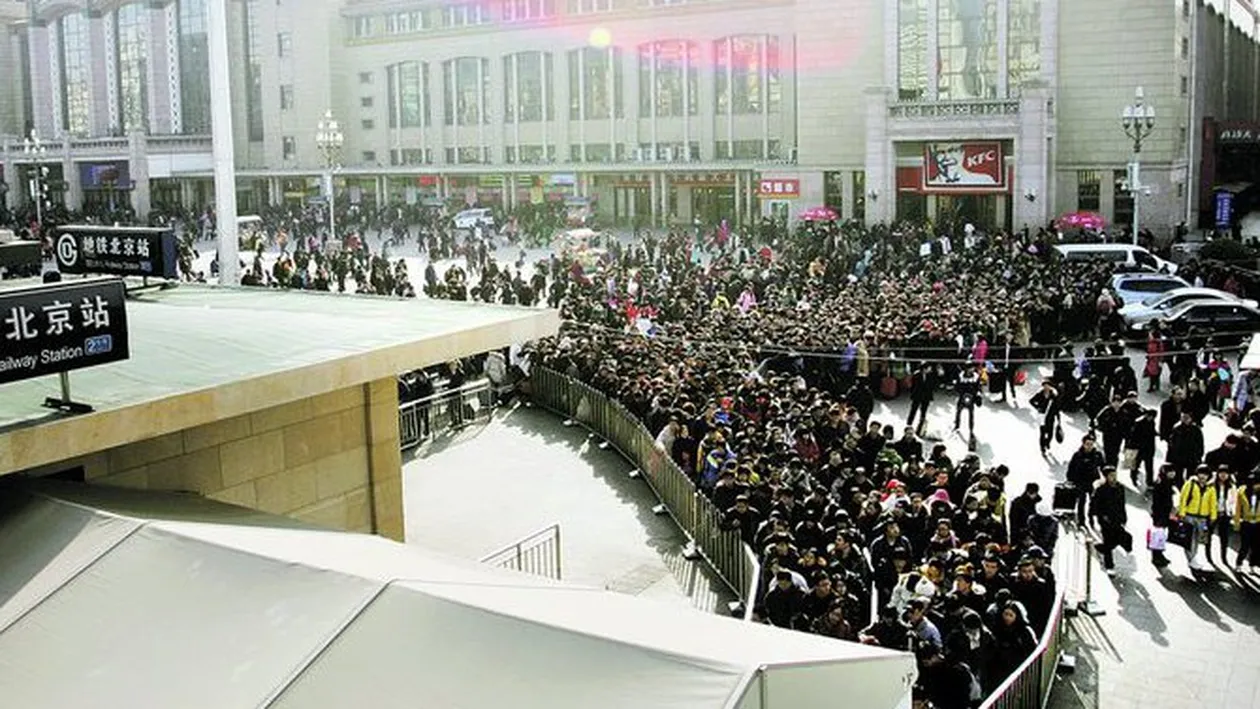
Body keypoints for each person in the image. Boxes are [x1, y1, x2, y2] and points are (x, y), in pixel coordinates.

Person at [1177, 466, 1219, 574]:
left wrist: (1213, 516)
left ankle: (1193, 558)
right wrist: (1182, 513)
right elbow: (1183, 498)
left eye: (1205, 474)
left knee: (1198, 539)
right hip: (1189, 515)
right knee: (1189, 539)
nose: (1203, 476)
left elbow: (1213, 503)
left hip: (1202, 517)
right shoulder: (1190, 484)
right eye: (1201, 473)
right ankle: (1191, 560)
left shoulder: (1211, 488)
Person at [1091, 467, 1131, 574]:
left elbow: (1122, 503)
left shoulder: (1120, 488)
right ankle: (1109, 565)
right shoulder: (1101, 489)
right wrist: (1100, 516)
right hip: (1106, 519)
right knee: (1108, 540)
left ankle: (1101, 548)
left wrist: (1124, 517)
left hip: (1117, 518)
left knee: (1120, 538)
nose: (1114, 477)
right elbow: (1096, 505)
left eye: (1115, 475)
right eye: (1111, 475)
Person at [1066, 435, 1105, 525]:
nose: (1089, 446)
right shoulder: (1077, 455)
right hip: (1080, 481)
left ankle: (1091, 517)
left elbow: (1102, 466)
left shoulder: (1097, 455)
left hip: (1093, 481)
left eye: (1091, 444)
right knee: (1081, 501)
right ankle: (1081, 520)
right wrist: (1070, 479)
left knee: (1094, 501)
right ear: (1083, 444)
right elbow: (1071, 468)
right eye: (1087, 444)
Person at [1207, 467, 1237, 565]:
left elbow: (1233, 500)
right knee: (1208, 535)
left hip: (1225, 514)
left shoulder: (1231, 486)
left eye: (1226, 473)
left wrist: (1232, 512)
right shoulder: (1211, 485)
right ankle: (1208, 556)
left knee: (1224, 537)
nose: (1223, 475)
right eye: (1221, 473)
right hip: (1212, 513)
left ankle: (1223, 557)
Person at [1028, 381, 1062, 455]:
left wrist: (1059, 419)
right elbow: (1031, 401)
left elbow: (1057, 408)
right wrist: (1038, 407)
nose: (1046, 387)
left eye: (1047, 386)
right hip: (1042, 417)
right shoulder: (1040, 394)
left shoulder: (1054, 395)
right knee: (1042, 433)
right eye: (1044, 386)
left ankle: (1047, 442)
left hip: (1050, 417)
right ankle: (1042, 448)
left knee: (1050, 433)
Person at [1234, 476, 1260, 572]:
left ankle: (1252, 565)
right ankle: (1239, 563)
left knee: (1256, 546)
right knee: (1244, 545)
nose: (1257, 486)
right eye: (1256, 484)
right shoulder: (1242, 492)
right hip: (1246, 522)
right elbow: (1237, 509)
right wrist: (1237, 523)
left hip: (1258, 523)